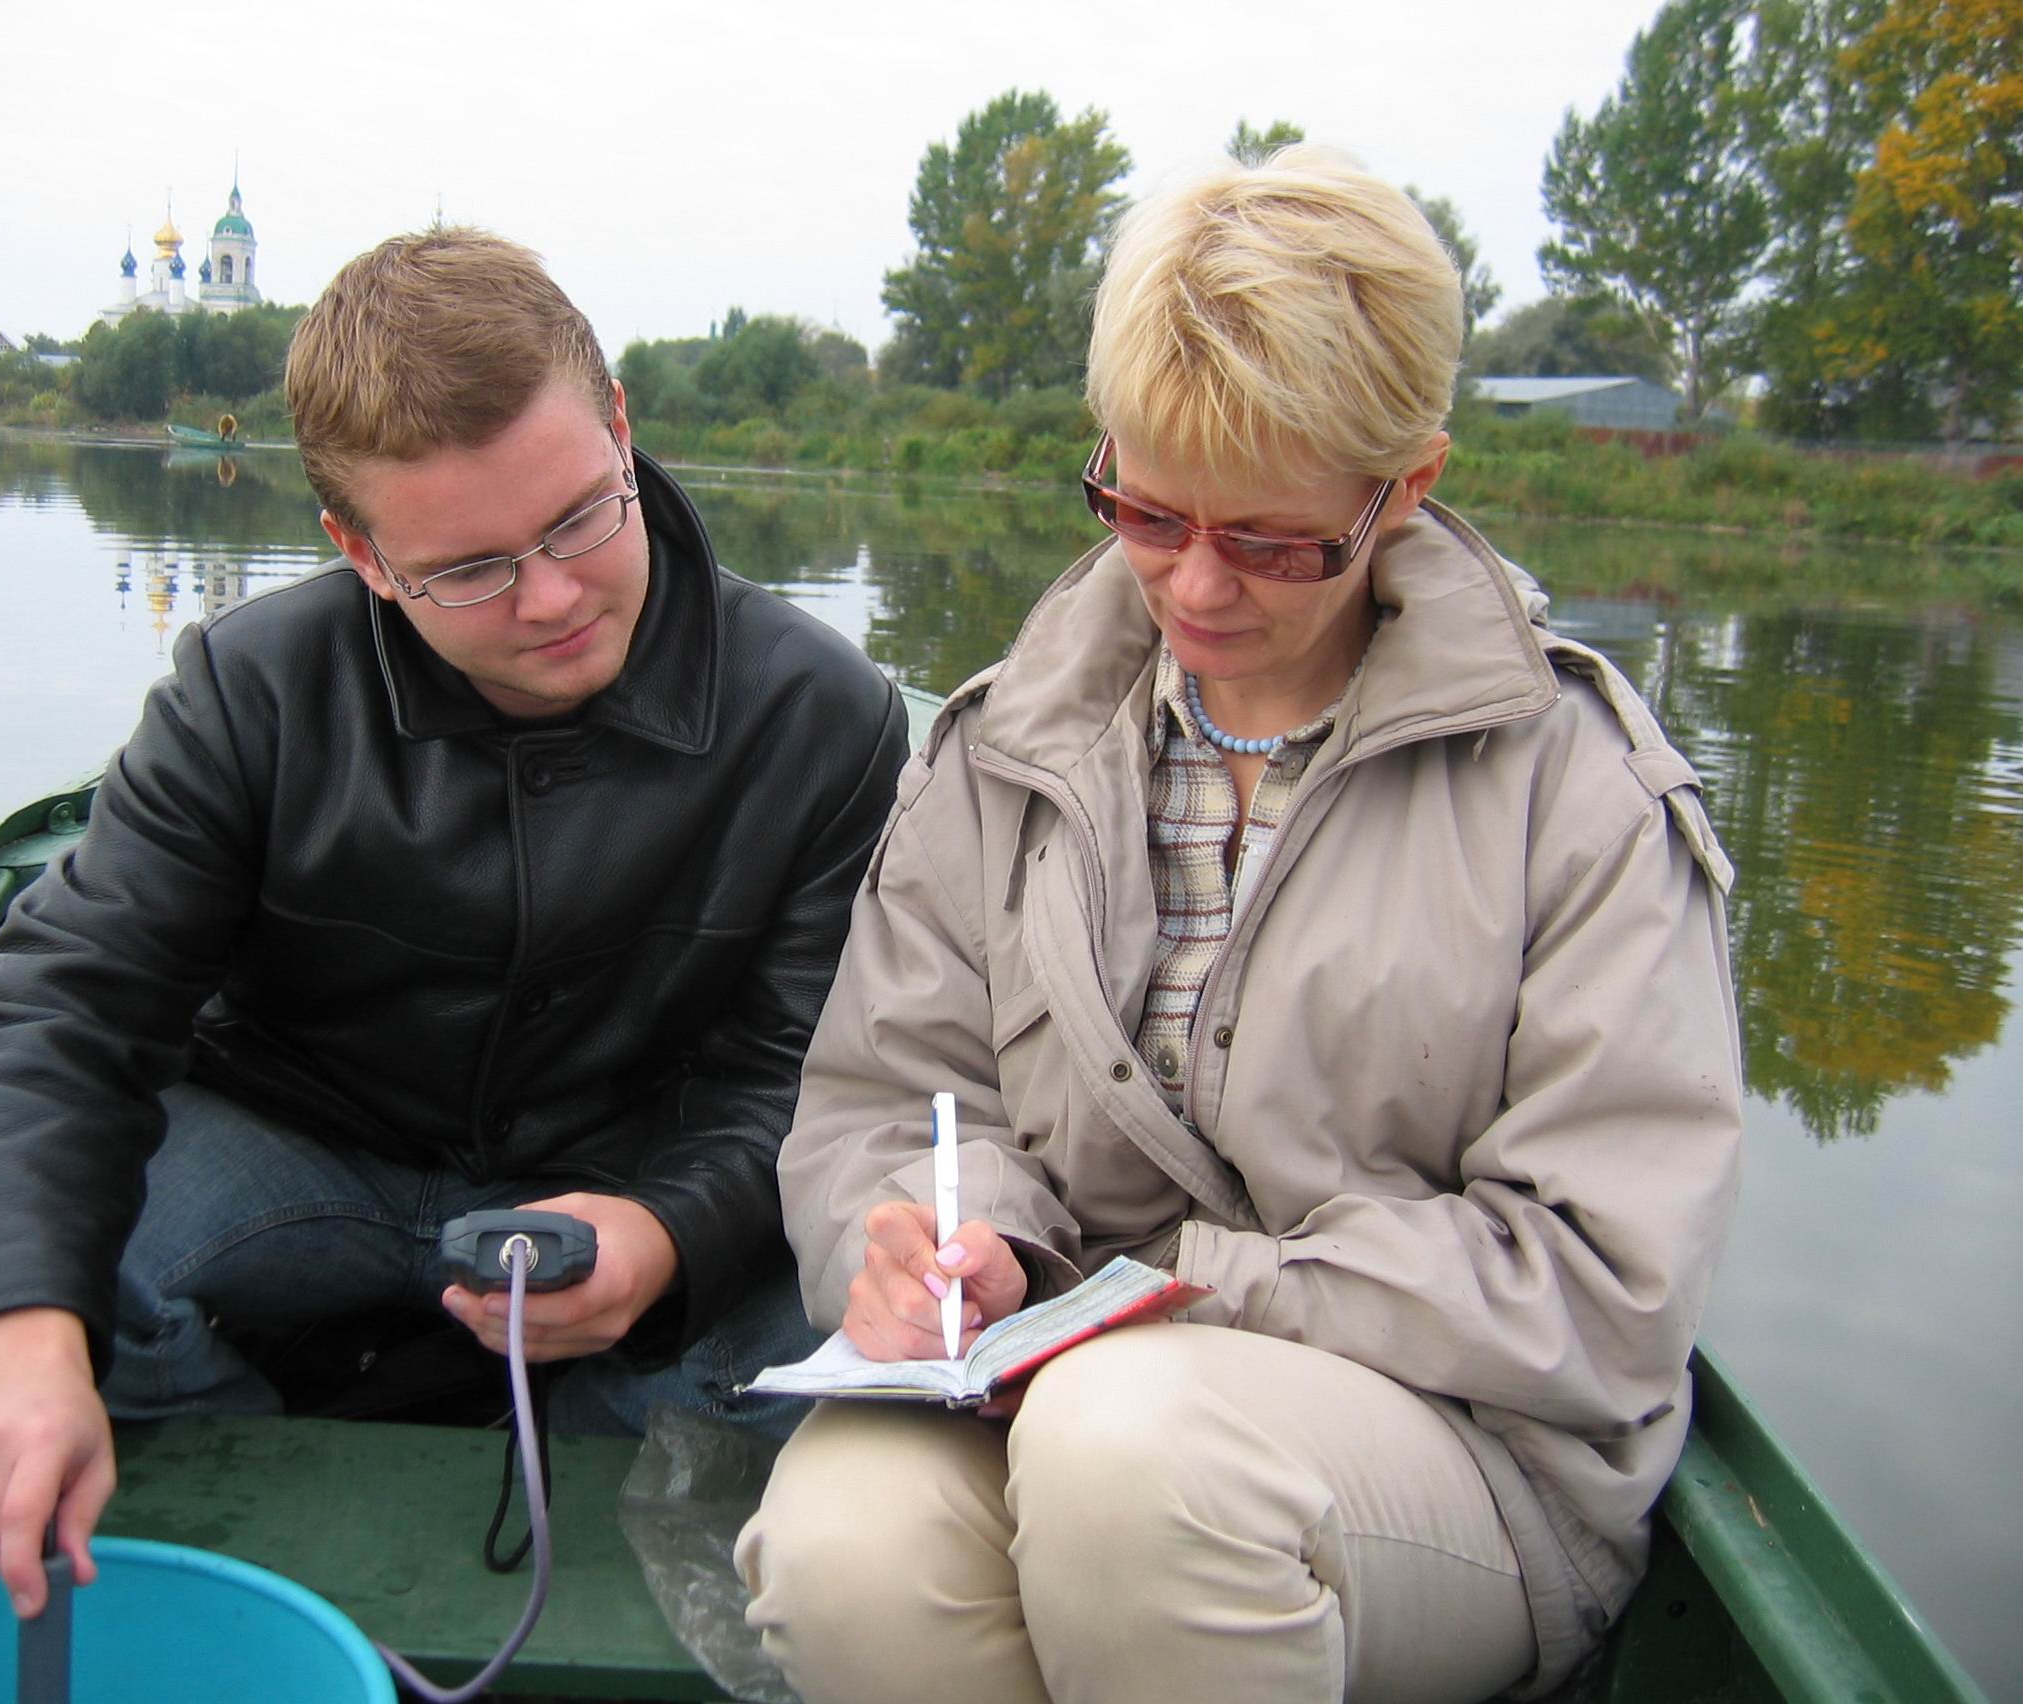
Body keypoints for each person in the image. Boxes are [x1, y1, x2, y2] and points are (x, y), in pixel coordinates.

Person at [735, 148, 1743, 1704]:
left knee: (1135, 1457)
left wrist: (1186, 1298)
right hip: (1047, 1381)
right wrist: (964, 1249)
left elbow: (1594, 1281)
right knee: (840, 1546)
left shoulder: (1581, 792)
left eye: (1272, 540)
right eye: (1146, 508)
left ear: (1402, 487)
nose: (1193, 586)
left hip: (1451, 1453)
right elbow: (890, 1100)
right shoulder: (1001, 749)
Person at [0, 228, 908, 1620]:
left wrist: (664, 1235)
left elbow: (799, 1077)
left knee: (836, 1327)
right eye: (471, 570)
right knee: (39, 1265)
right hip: (308, 1155)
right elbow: (57, 1012)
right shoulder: (250, 693)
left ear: (622, 429)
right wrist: (29, 1359)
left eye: (582, 517)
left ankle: (574, 1500)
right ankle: (275, 1538)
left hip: (621, 1187)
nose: (555, 596)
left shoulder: (825, 717)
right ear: (361, 552)